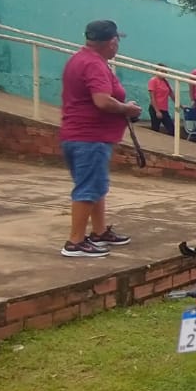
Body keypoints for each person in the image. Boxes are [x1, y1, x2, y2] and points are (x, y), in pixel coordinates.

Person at [58, 19, 142, 258]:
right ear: (112, 42)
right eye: (117, 41)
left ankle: (99, 231)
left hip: (80, 134)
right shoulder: (94, 64)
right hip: (89, 137)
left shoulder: (79, 59)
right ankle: (75, 241)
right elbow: (102, 101)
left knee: (96, 186)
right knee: (88, 188)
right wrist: (127, 109)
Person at [147, 66, 175, 135]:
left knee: (171, 129)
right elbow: (152, 97)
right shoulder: (153, 80)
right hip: (155, 109)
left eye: (165, 72)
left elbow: (171, 94)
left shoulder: (166, 82)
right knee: (155, 129)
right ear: (157, 71)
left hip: (164, 109)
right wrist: (157, 111)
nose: (164, 73)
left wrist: (180, 105)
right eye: (162, 71)